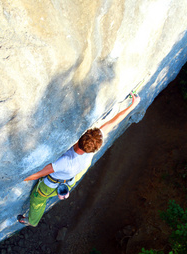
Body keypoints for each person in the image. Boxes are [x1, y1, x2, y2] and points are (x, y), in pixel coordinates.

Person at [18, 93, 140, 226]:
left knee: (38, 201)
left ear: (80, 138)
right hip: (72, 177)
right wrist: (132, 106)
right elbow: (113, 121)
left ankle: (32, 221)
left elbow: (39, 174)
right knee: (75, 174)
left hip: (51, 184)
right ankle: (62, 193)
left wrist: (20, 179)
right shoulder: (93, 145)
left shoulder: (65, 161)